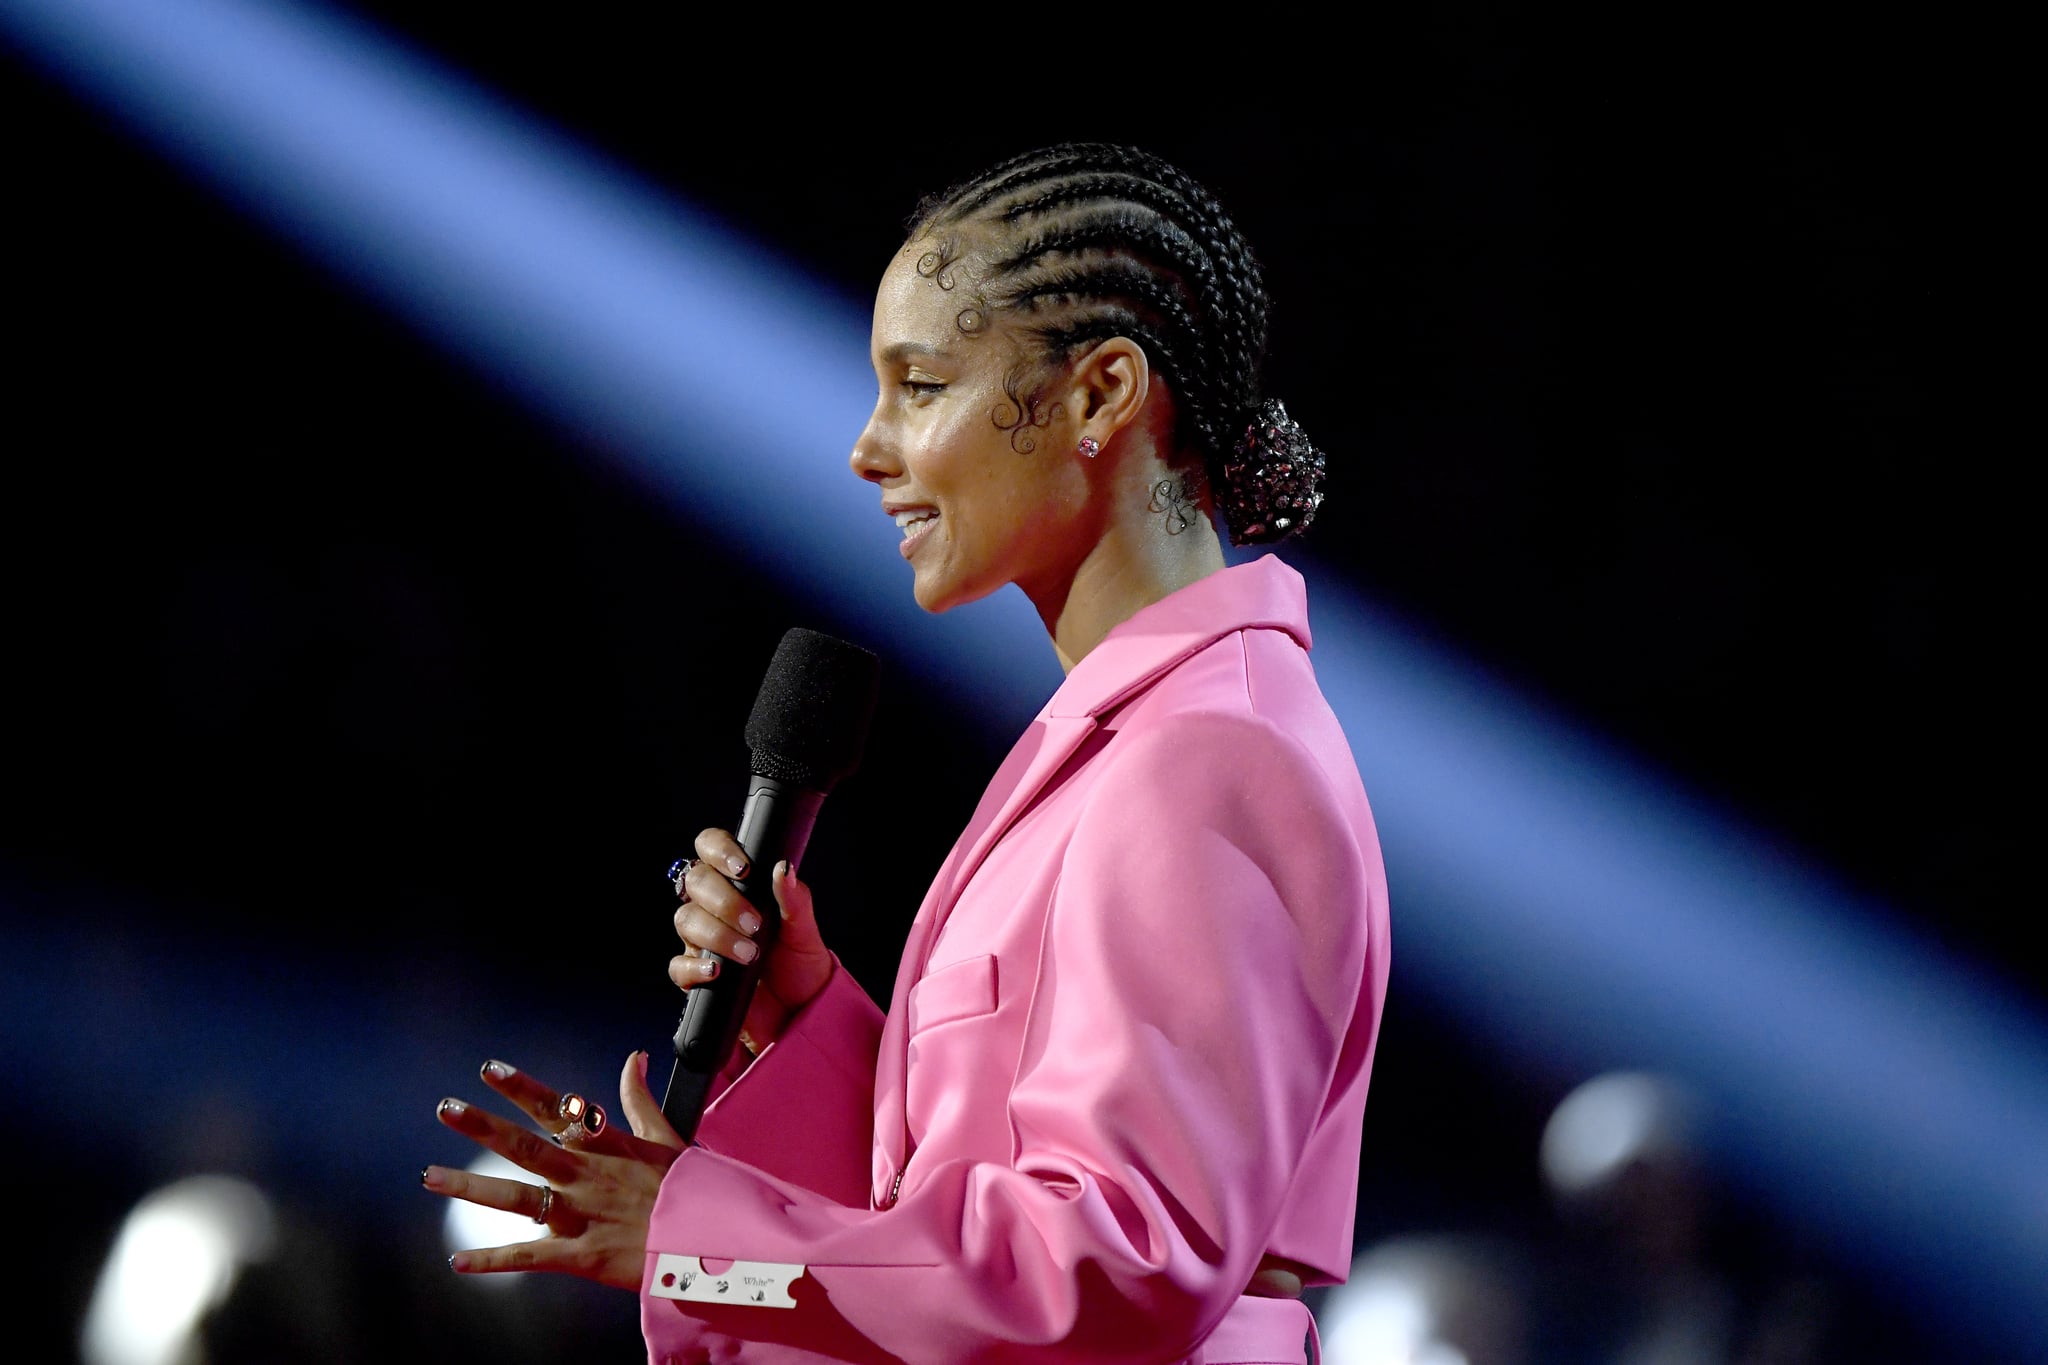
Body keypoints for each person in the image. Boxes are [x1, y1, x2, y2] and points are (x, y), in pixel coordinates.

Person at [422, 141, 1392, 1364]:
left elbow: (1117, 1268)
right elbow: (986, 1194)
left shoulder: (1205, 758)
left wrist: (698, 1234)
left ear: (1100, 394)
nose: (867, 448)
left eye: (920, 385)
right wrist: (814, 1018)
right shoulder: (1139, 735)